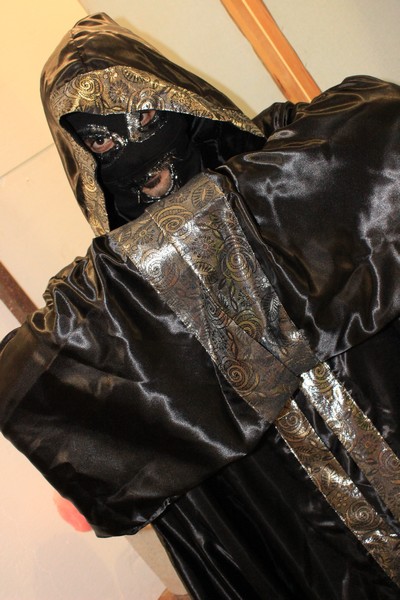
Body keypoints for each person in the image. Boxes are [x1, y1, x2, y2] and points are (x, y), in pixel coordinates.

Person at [1, 12, 400, 599]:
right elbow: (26, 386)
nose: (134, 149)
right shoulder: (103, 296)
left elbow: (381, 120)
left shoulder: (292, 145)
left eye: (145, 117)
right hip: (316, 536)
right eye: (102, 141)